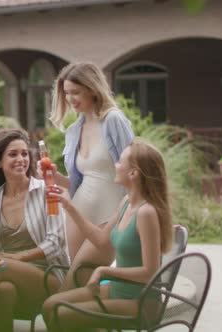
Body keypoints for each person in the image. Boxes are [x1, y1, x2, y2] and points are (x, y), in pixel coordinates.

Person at [42, 139, 174, 331]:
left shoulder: (146, 213)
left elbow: (149, 273)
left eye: (120, 162)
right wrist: (69, 207)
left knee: (61, 314)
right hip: (117, 290)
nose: (115, 165)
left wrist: (104, 271)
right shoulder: (126, 203)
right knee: (50, 306)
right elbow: (101, 240)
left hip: (141, 302)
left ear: (133, 173)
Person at [0, 129, 69, 332]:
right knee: (5, 291)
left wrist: (18, 258)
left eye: (24, 154)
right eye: (13, 154)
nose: (20, 159)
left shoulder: (47, 191)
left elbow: (57, 242)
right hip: (4, 275)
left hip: (47, 276)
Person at [44, 61, 134, 289]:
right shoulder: (74, 130)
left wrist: (130, 211)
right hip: (78, 213)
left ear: (92, 89)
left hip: (111, 216)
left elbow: (137, 169)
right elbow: (78, 182)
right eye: (66, 93)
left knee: (73, 281)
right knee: (78, 280)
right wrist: (55, 177)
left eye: (76, 92)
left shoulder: (113, 120)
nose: (70, 98)